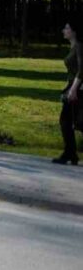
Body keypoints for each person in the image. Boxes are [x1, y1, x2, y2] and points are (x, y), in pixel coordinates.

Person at [55, 20, 83, 165]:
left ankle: (70, 153)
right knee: (66, 120)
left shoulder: (79, 47)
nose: (63, 30)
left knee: (76, 121)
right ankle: (70, 153)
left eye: (66, 28)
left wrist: (73, 90)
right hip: (73, 86)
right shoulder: (73, 47)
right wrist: (66, 88)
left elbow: (82, 70)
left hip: (79, 88)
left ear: (74, 31)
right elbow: (72, 71)